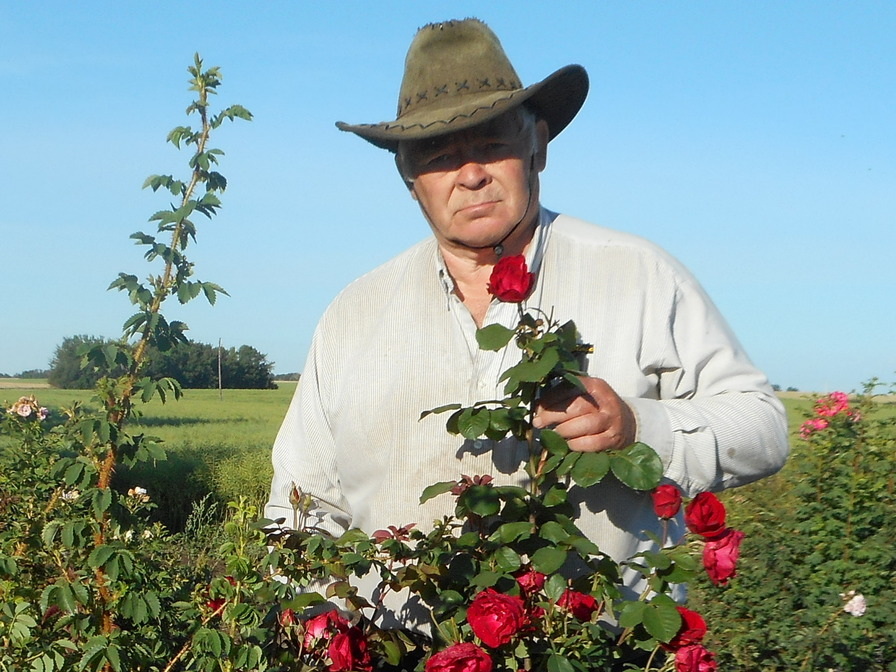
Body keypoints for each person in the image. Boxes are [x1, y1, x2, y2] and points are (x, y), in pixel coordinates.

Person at [266, 18, 788, 627]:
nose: (470, 174)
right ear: (409, 180)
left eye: (491, 144)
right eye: (439, 155)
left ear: (538, 144)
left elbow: (763, 426)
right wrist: (309, 621)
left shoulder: (637, 275)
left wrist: (639, 428)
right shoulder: (353, 317)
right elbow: (302, 502)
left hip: (598, 652)